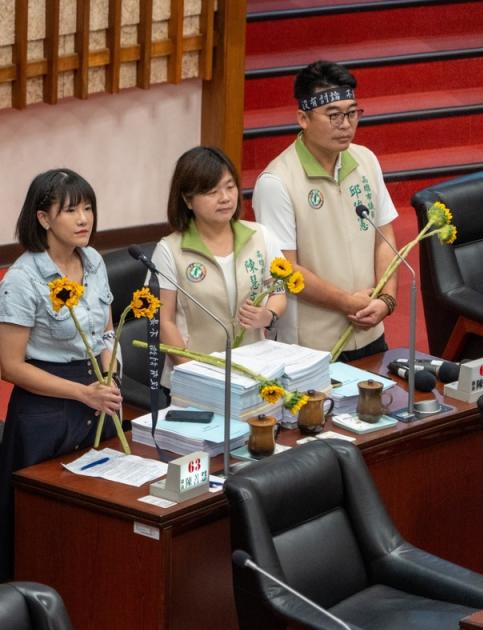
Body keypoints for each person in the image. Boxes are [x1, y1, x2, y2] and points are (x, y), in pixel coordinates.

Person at [0, 168, 120, 582]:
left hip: (96, 396)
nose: (84, 219)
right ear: (43, 219)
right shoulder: (22, 281)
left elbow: (108, 329)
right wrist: (83, 393)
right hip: (45, 413)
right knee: (42, 529)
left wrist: (110, 372)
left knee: (98, 512)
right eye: (71, 211)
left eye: (88, 208)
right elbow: (11, 366)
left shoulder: (94, 260)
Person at [253, 59, 399, 361]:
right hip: (311, 345)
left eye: (352, 113)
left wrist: (386, 299)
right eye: (333, 116)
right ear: (303, 118)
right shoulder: (277, 181)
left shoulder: (366, 160)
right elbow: (286, 268)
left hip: (371, 330)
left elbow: (384, 235)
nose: (346, 125)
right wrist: (348, 303)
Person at [151, 146, 288, 387]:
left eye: (230, 187)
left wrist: (268, 315)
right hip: (194, 377)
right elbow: (165, 321)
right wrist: (192, 372)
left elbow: (278, 292)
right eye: (212, 191)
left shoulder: (260, 236)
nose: (225, 198)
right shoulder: (169, 250)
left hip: (253, 372)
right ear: (187, 200)